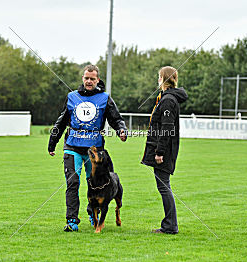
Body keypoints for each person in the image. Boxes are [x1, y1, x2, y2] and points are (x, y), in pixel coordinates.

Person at [48, 65, 127, 232]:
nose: (89, 81)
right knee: (72, 182)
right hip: (72, 146)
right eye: (86, 78)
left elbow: (116, 119)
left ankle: (93, 213)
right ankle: (72, 220)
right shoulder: (72, 97)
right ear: (82, 79)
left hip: (94, 149)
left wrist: (121, 129)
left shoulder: (105, 98)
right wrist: (52, 141)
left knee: (96, 184)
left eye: (92, 79)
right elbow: (61, 121)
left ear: (97, 80)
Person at [141, 66, 188, 234]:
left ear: (164, 79)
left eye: (159, 77)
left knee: (164, 187)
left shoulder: (168, 100)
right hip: (163, 149)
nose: (157, 80)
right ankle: (169, 224)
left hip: (164, 151)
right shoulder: (166, 98)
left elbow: (166, 128)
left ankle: (170, 226)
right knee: (163, 186)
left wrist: (159, 152)